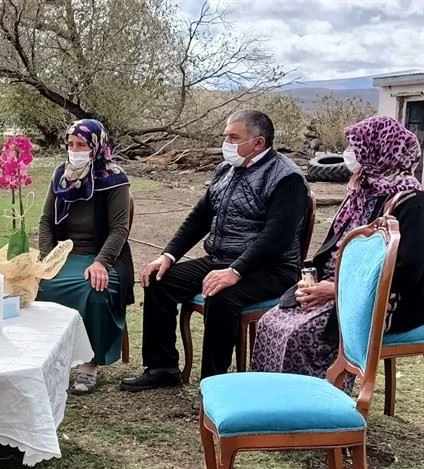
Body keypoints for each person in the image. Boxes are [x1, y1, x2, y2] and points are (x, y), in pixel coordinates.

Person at [120, 109, 309, 391]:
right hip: (221, 259)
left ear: (258, 142)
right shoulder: (226, 170)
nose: (226, 143)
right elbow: (200, 217)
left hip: (272, 268)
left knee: (222, 295)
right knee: (160, 280)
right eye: (225, 137)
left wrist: (235, 271)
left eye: (234, 137)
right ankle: (162, 368)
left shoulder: (287, 178)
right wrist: (168, 255)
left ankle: (215, 384)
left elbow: (276, 237)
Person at [252, 115, 424, 379]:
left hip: (385, 299)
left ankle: (315, 407)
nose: (350, 154)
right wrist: (313, 281)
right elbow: (332, 248)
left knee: (300, 334)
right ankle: (271, 403)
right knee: (271, 322)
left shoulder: (411, 203)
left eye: (357, 147)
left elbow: (406, 273)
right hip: (333, 286)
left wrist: (337, 291)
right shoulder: (361, 192)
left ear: (380, 151)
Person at [37, 119, 134, 394]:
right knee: (37, 285)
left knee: (94, 288)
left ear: (96, 146)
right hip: (65, 254)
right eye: (70, 144)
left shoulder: (114, 178)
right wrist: (48, 260)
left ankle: (89, 364)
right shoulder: (60, 175)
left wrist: (101, 262)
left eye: (81, 144)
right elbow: (45, 221)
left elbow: (119, 229)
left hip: (104, 256)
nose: (75, 149)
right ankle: (49, 358)